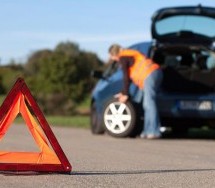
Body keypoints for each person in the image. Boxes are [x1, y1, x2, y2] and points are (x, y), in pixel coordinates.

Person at [108, 44, 163, 139]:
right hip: (153, 73)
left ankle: (154, 131)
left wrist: (125, 94)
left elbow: (126, 76)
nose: (113, 59)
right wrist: (123, 92)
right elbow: (128, 79)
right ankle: (147, 131)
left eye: (112, 57)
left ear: (114, 54)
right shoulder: (128, 55)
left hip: (149, 74)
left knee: (149, 103)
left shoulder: (123, 57)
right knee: (145, 103)